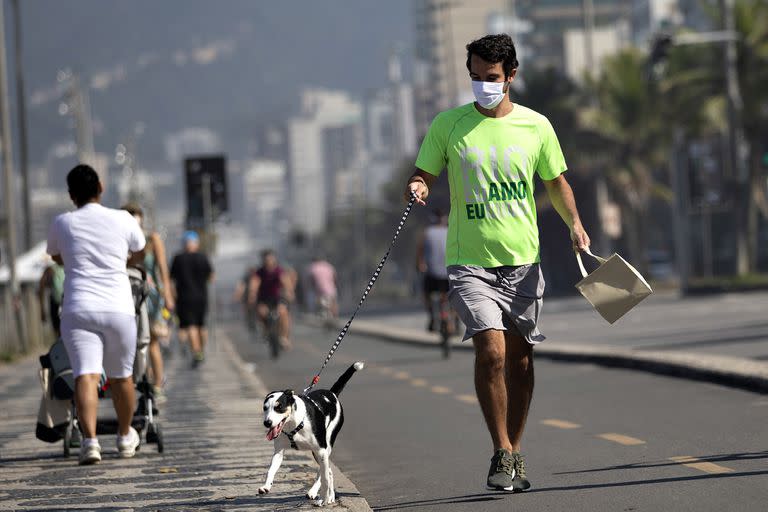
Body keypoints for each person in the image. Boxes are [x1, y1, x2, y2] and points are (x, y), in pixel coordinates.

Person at [404, 34, 590, 492]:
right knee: (491, 351)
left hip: (523, 261)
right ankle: (501, 449)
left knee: (521, 362)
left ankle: (515, 450)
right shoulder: (448, 125)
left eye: (491, 78)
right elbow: (424, 171)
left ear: (511, 75)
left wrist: (575, 224)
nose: (482, 85)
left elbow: (556, 181)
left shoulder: (536, 126)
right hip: (469, 263)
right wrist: (419, 185)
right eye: (474, 77)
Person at [46, 164, 146, 465]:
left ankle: (90, 442)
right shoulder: (123, 218)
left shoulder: (62, 222)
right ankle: (125, 436)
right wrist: (121, 256)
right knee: (122, 378)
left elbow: (55, 256)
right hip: (118, 307)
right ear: (101, 187)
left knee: (86, 375)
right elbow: (139, 250)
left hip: (78, 308)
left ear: (70, 194)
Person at [121, 204, 175, 401]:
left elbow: (162, 269)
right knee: (132, 341)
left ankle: (158, 382)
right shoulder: (120, 240)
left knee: (151, 339)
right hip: (128, 294)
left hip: (151, 296)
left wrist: (167, 294)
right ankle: (145, 377)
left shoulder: (153, 240)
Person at [170, 231, 213, 367]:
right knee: (202, 325)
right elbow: (211, 277)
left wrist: (172, 296)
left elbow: (171, 280)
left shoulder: (178, 258)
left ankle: (197, 352)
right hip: (202, 297)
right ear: (197, 243)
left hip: (184, 298)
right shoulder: (203, 257)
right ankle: (201, 349)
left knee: (191, 326)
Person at [248, 249, 293, 349]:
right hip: (264, 299)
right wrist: (252, 294)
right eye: (266, 260)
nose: (269, 262)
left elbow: (285, 282)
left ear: (274, 260)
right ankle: (266, 331)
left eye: (271, 259)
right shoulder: (260, 272)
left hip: (277, 298)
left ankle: (284, 337)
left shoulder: (279, 270)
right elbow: (254, 283)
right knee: (261, 312)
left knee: (283, 313)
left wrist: (289, 292)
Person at [416, 209, 451, 332]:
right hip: (448, 273)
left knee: (426, 294)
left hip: (433, 273)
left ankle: (432, 316)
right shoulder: (450, 232)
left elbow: (420, 251)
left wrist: (420, 264)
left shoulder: (427, 232)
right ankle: (450, 318)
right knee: (453, 296)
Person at [38, 260, 65, 337]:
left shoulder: (51, 269)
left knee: (60, 333)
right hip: (60, 304)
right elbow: (41, 287)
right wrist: (42, 310)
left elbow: (41, 288)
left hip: (60, 304)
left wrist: (42, 310)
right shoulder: (51, 269)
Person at [307, 255, 338, 320]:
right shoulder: (328, 266)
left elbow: (310, 281)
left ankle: (321, 315)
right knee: (333, 303)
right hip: (331, 289)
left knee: (319, 304)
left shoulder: (313, 267)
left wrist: (313, 289)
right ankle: (335, 317)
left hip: (319, 291)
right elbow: (335, 278)